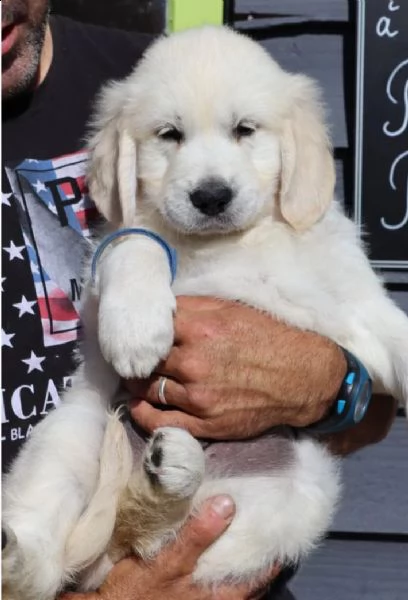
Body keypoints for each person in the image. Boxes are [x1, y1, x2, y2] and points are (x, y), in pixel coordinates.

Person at [1, 1, 397, 599]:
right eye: (171, 136)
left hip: (238, 542)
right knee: (72, 434)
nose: (211, 180)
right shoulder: (140, 196)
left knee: (300, 490)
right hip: (111, 468)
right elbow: (124, 242)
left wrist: (322, 380)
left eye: (244, 132)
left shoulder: (143, 68)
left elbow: (374, 381)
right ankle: (30, 555)